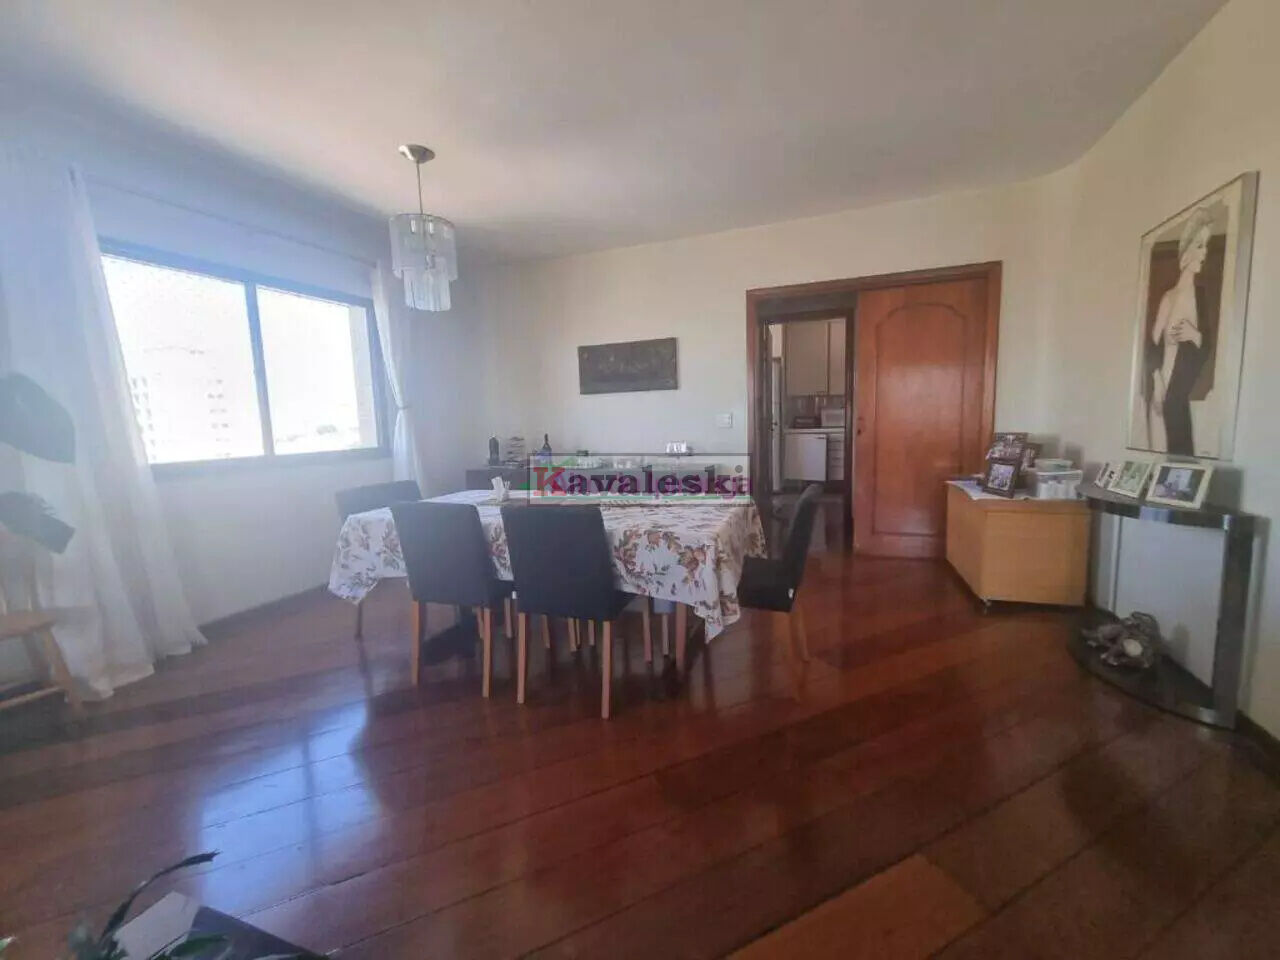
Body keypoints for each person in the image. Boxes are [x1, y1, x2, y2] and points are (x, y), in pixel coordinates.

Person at [1150, 208, 1213, 455]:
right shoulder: (1169, 297)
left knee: (1182, 449)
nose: (1204, 252)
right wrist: (1157, 384)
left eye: (1206, 246)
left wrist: (1194, 335)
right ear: (1186, 252)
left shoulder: (1201, 297)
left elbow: (1207, 347)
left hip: (1180, 391)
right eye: (1199, 245)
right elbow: (1153, 343)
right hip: (1163, 386)